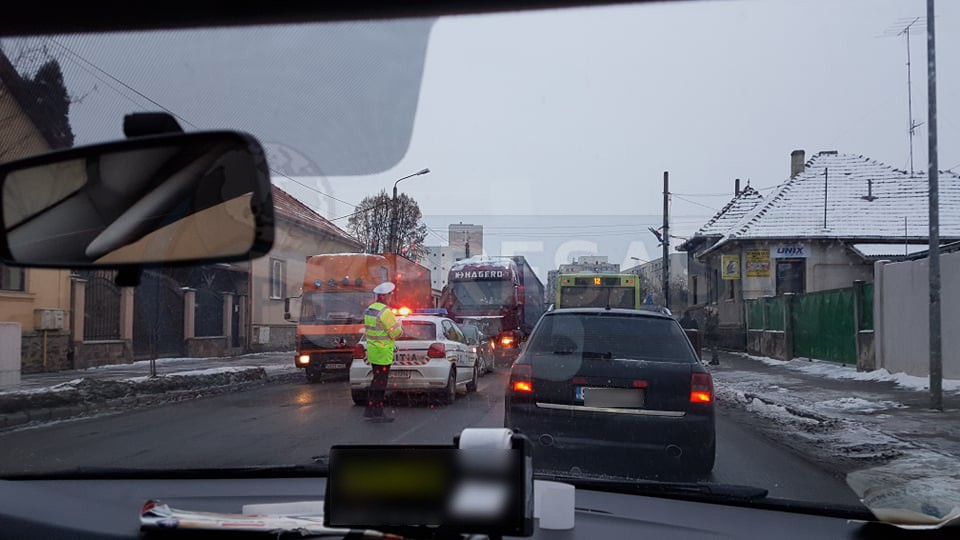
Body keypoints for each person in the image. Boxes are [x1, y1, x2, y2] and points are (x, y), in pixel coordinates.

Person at [363, 282, 403, 422]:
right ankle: (377, 411)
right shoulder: (385, 312)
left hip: (373, 351)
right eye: (390, 295)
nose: (391, 297)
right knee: (380, 384)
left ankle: (370, 409)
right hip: (383, 351)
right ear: (385, 296)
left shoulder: (370, 310)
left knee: (376, 381)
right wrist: (400, 326)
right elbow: (396, 333)